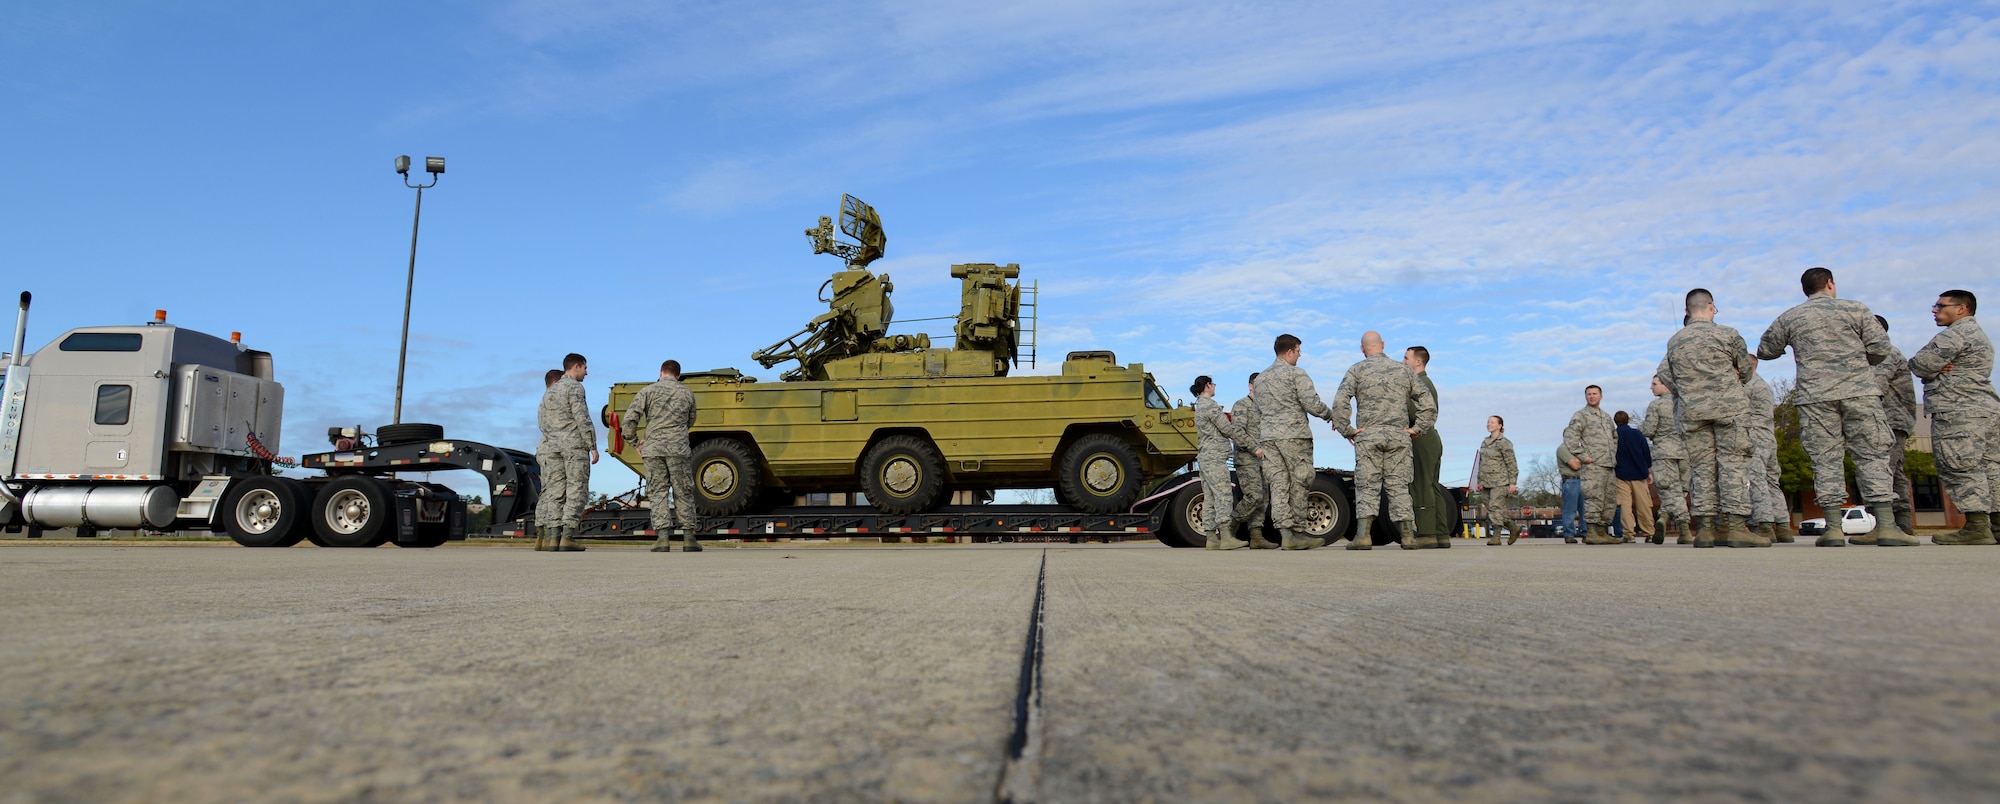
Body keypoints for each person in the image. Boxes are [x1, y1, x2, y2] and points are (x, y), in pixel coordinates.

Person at [1756, 267, 1916, 546]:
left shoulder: (1791, 316)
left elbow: (1766, 350)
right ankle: (1887, 526)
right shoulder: (1857, 309)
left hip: (1815, 398)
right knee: (1872, 455)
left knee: (1825, 460)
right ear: (1830, 284)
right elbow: (1880, 348)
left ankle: (1832, 528)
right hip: (1859, 393)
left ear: (1805, 289)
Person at [1658, 289, 1761, 548]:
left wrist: (1688, 390)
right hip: (1729, 408)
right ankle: (1736, 528)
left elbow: (1665, 375)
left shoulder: (1675, 341)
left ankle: (1704, 530)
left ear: (1686, 311)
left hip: (1693, 412)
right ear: (1712, 306)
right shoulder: (1728, 335)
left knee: (1701, 469)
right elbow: (1747, 372)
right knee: (1733, 464)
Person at [1331, 331, 1437, 550]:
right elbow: (1428, 403)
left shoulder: (1356, 370)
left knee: (1367, 485)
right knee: (1399, 485)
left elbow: (1341, 401)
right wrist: (1418, 428)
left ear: (1362, 348)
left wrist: (1347, 430)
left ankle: (1363, 536)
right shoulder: (1404, 370)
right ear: (1383, 345)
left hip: (1368, 436)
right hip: (1399, 436)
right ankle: (1407, 536)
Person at [1911, 290, 2000, 545]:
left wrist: (1931, 369)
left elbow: (1920, 364)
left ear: (1961, 309)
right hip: (1985, 409)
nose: (1934, 310)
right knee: (1990, 468)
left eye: (1940, 305)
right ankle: (1996, 526)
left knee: (1960, 465)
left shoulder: (1956, 334)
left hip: (1959, 411)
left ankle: (1976, 527)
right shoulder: (1979, 334)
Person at [1256, 334, 1337, 550]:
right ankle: (1299, 532)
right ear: (1290, 351)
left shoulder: (1261, 379)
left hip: (1269, 437)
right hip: (1293, 435)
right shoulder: (1296, 374)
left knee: (1279, 484)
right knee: (1300, 480)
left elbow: (1259, 410)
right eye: (1298, 351)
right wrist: (1331, 416)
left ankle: (1285, 534)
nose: (1300, 356)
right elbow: (1312, 404)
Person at [622, 359, 701, 553]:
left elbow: (629, 421)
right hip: (678, 450)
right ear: (678, 375)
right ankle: (689, 539)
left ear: (660, 372)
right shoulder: (686, 393)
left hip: (653, 449)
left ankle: (663, 539)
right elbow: (691, 419)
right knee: (683, 491)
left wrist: (635, 443)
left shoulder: (647, 391)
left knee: (658, 492)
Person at [537, 353, 599, 552]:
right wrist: (592, 445)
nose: (586, 373)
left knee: (555, 492)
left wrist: (554, 438)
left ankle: (553, 538)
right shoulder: (575, 387)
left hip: (552, 447)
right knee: (576, 489)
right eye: (585, 368)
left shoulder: (549, 392)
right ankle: (568, 536)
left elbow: (542, 422)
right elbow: (582, 418)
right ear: (577, 366)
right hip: (573, 447)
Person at [1192, 375, 1250, 550]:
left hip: (1205, 457)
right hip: (1215, 457)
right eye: (1213, 384)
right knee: (1224, 494)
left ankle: (1211, 538)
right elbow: (1226, 429)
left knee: (1210, 497)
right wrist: (1247, 442)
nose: (1215, 387)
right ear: (1208, 385)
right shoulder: (1210, 405)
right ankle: (1226, 536)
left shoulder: (1199, 406)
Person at [1875, 315, 1920, 535]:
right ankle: (1901, 522)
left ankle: (1886, 524)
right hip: (1890, 421)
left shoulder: (1884, 353)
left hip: (1889, 421)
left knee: (1881, 469)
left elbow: (1874, 387)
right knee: (1895, 471)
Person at [1403, 346, 1452, 548]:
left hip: (1420, 437)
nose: (1403, 362)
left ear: (1418, 362)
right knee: (1432, 486)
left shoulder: (1421, 383)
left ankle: (1426, 534)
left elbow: (1417, 412)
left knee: (1421, 486)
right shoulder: (1424, 382)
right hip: (1428, 438)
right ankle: (1441, 534)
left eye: (1406, 358)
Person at [1562, 385, 1619, 544]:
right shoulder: (1581, 415)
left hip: (1608, 464)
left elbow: (1614, 438)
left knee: (1609, 500)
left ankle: (1602, 532)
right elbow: (1570, 437)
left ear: (1601, 396)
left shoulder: (1606, 417)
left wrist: (1612, 453)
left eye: (1595, 394)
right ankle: (1592, 532)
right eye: (1589, 394)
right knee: (1594, 498)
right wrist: (1583, 456)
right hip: (1593, 465)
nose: (1592, 397)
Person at [1744, 357, 1792, 543]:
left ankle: (1764, 524)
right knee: (1772, 482)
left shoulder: (1748, 386)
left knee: (1756, 480)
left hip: (1754, 437)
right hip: (1768, 438)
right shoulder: (1765, 386)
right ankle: (1783, 527)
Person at [1231, 373, 1278, 549]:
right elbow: (1238, 432)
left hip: (1264, 461)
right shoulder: (1242, 405)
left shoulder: (1266, 408)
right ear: (1251, 386)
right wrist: (1254, 448)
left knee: (1263, 499)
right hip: (1247, 459)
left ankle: (1256, 536)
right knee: (1254, 496)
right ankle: (1229, 529)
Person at [1642, 376, 1691, 543]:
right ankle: (1664, 516)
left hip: (1664, 452)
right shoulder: (1685, 403)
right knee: (1682, 490)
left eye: (1654, 384)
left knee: (1670, 490)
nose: (1651, 387)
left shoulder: (1656, 405)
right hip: (1685, 452)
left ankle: (1683, 528)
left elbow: (1648, 430)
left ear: (1666, 386)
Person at [1472, 415, 1519, 545]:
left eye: (1492, 422)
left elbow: (1511, 463)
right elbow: (1482, 463)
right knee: (1492, 509)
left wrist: (1513, 483)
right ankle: (1513, 527)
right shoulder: (1485, 443)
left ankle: (1496, 537)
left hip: (1500, 481)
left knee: (1495, 507)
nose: (1489, 424)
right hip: (1486, 481)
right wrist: (1479, 482)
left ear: (1500, 426)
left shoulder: (1504, 443)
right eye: (1488, 422)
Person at [1612, 410, 1654, 544]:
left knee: (1625, 505)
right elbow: (1646, 452)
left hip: (1621, 474)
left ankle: (1629, 533)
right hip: (1639, 473)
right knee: (1643, 504)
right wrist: (1648, 470)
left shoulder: (1614, 435)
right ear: (1628, 420)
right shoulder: (1637, 434)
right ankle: (1649, 532)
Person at [1557, 441, 1584, 543]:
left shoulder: (1579, 449)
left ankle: (1586, 533)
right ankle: (1569, 535)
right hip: (1570, 481)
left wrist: (1579, 460)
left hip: (1582, 480)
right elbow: (1575, 465)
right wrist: (1583, 460)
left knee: (1585, 510)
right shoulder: (1563, 449)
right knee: (1570, 510)